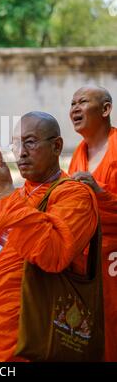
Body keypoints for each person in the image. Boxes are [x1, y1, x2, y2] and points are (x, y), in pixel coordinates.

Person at [0, 111, 99, 362]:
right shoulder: (16, 197)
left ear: (56, 146)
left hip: (27, 330)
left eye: (31, 142)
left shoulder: (73, 196)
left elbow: (53, 255)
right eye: (16, 143)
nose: (20, 152)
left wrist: (5, 192)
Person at [68, 86, 117, 362]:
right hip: (86, 260)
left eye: (82, 102)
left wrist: (99, 192)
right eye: (72, 103)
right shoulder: (79, 152)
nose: (74, 108)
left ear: (106, 109)